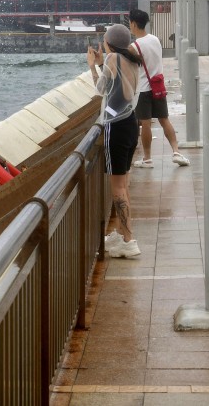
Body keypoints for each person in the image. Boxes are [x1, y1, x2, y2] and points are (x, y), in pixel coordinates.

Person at [88, 23, 142, 258]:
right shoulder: (129, 59)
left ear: (109, 43)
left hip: (116, 128)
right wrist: (103, 62)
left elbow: (101, 89)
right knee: (124, 183)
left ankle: (129, 241)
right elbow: (119, 88)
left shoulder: (113, 59)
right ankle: (121, 235)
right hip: (130, 123)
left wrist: (93, 66)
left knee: (118, 188)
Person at [127, 8, 190, 168]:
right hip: (158, 86)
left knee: (146, 123)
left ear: (133, 24)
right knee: (164, 119)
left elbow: (129, 68)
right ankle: (176, 151)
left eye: (130, 23)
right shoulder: (155, 39)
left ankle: (147, 158)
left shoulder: (133, 47)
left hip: (143, 89)